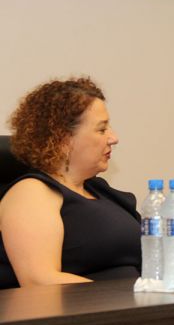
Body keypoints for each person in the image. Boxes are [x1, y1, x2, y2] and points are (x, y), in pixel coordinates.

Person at [0, 78, 141, 288]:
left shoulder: (99, 189)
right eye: (102, 129)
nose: (114, 138)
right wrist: (125, 296)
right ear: (64, 139)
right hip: (90, 308)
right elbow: (39, 281)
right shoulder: (32, 194)